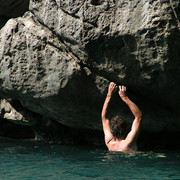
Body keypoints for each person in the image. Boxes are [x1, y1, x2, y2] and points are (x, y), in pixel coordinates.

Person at [101, 82, 142, 151]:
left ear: (111, 130)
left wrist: (109, 95)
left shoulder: (109, 143)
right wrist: (124, 97)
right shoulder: (128, 142)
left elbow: (104, 117)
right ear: (126, 130)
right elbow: (139, 116)